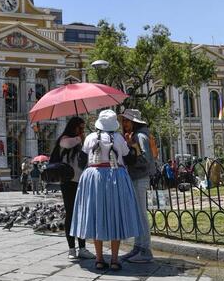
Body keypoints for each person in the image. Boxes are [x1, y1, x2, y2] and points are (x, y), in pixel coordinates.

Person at [70, 109, 145, 271]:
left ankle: (98, 258)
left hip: (94, 178)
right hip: (115, 176)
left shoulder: (90, 138)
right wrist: (131, 145)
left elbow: (82, 162)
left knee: (97, 216)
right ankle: (115, 259)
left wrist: (83, 143)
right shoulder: (118, 138)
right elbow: (129, 159)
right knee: (115, 216)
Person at [49, 116, 95, 260]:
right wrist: (81, 138)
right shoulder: (65, 139)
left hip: (81, 181)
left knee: (81, 214)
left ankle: (82, 247)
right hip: (68, 182)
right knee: (70, 213)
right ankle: (71, 248)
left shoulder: (81, 143)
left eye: (83, 128)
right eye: (79, 127)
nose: (81, 130)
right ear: (73, 127)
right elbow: (67, 143)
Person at [119, 109, 155, 263]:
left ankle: (145, 250)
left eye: (127, 121)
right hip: (135, 177)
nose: (124, 124)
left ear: (134, 122)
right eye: (124, 121)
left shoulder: (140, 136)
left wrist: (131, 159)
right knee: (137, 214)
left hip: (140, 178)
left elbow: (146, 159)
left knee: (141, 215)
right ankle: (138, 247)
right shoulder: (135, 136)